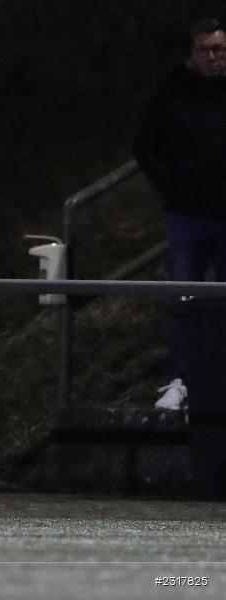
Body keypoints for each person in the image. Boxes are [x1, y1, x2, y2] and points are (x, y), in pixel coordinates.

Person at [134, 17, 226, 411]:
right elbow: (144, 144)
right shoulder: (172, 92)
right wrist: (171, 186)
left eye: (219, 49)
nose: (213, 57)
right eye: (205, 50)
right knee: (183, 296)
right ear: (193, 52)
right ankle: (181, 379)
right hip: (188, 215)